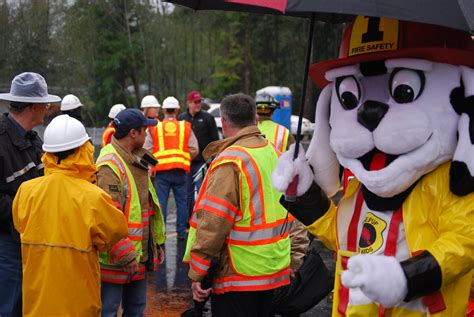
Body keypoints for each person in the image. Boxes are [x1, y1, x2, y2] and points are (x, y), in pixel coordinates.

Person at [184, 93, 291, 316]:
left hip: (239, 274)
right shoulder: (276, 154)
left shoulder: (230, 161)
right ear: (255, 119)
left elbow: (214, 222)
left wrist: (198, 272)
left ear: (223, 121)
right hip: (275, 269)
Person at [12, 115, 129, 316]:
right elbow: (115, 233)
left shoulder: (26, 191)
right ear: (84, 150)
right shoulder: (94, 197)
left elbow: (19, 225)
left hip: (37, 306)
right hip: (79, 305)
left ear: (47, 153)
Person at [0, 72, 60, 317]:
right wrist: (27, 210)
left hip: (32, 241)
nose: (46, 109)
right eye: (44, 104)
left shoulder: (33, 140)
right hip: (9, 242)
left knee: (29, 305)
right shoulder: (1, 140)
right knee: (9, 307)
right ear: (34, 106)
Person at [96, 108, 166, 316]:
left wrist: (156, 244)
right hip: (118, 258)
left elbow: (147, 207)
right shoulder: (109, 165)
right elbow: (107, 215)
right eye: (145, 130)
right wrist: (124, 254)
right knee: (108, 310)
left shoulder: (137, 159)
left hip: (138, 255)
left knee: (136, 309)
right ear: (133, 133)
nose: (148, 135)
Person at [144, 96, 198, 240]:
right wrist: (183, 159)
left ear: (163, 110)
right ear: (177, 110)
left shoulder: (156, 127)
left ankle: (161, 233)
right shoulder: (184, 127)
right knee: (181, 202)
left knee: (161, 203)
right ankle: (181, 233)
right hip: (180, 171)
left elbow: (146, 150)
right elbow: (194, 149)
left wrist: (154, 163)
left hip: (161, 172)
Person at [178, 90, 219, 220]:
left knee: (203, 192)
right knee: (187, 193)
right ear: (188, 103)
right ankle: (188, 222)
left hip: (202, 162)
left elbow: (215, 141)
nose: (198, 104)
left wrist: (212, 160)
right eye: (195, 102)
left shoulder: (208, 118)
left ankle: (204, 220)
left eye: (199, 102)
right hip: (186, 163)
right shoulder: (182, 119)